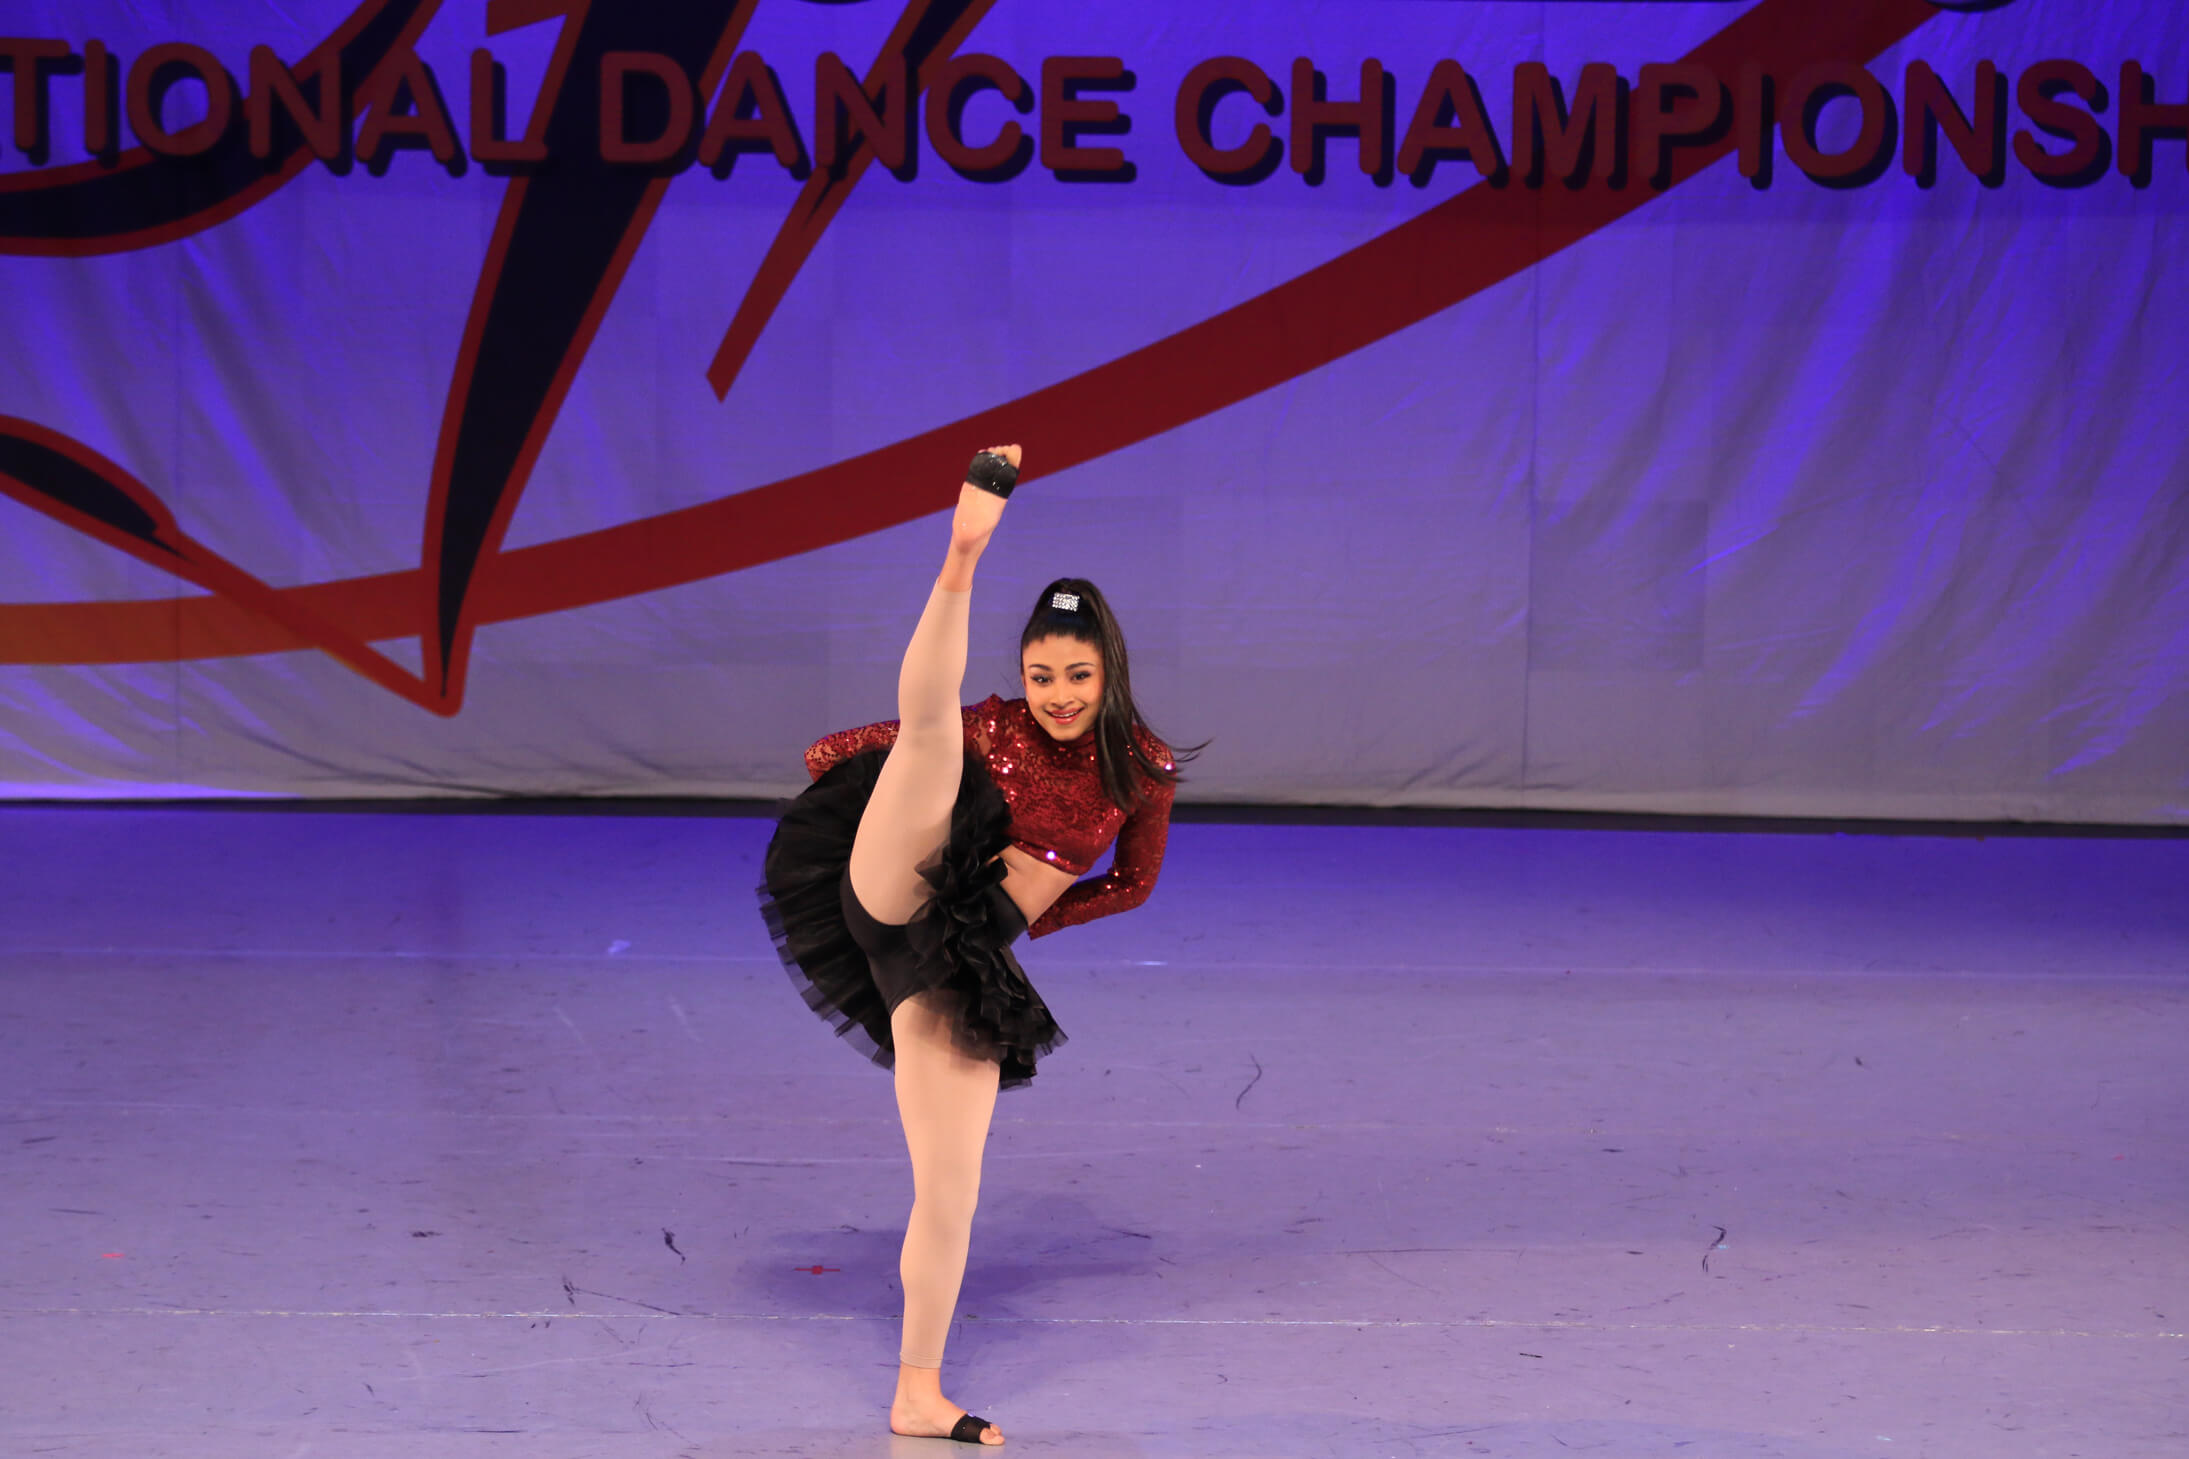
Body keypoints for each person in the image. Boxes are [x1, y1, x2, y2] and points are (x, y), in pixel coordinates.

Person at [758, 444, 1189, 1446]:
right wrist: (911, 799)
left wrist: (1029, 921)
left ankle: (917, 1392)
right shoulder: (992, 725)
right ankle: (962, 550)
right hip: (895, 887)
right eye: (1040, 675)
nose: (1058, 694)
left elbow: (1132, 882)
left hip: (950, 962)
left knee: (949, 1189)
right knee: (929, 737)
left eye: (1076, 676)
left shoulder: (1143, 768)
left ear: (1108, 673)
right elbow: (828, 752)